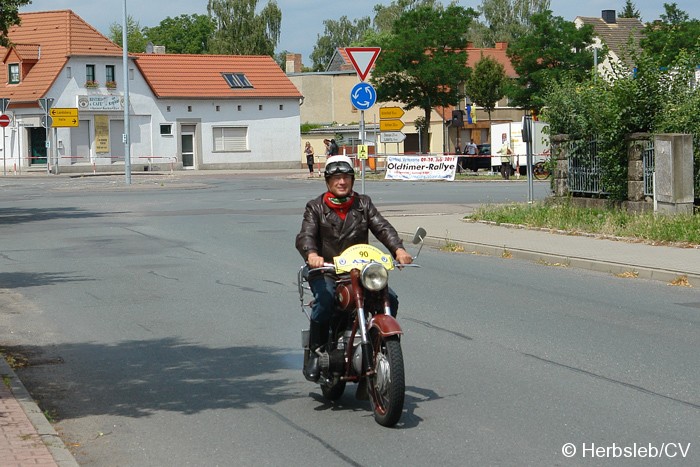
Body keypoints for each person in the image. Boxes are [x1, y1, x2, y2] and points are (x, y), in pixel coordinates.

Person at [295, 155, 413, 382]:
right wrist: (312, 255)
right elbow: (306, 235)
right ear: (328, 181)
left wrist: (398, 250)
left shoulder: (363, 203)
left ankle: (378, 343)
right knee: (326, 299)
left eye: (346, 177)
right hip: (327, 270)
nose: (342, 182)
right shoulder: (315, 207)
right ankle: (317, 352)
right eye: (336, 178)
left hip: (360, 271)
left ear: (352, 180)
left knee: (391, 298)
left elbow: (382, 227)